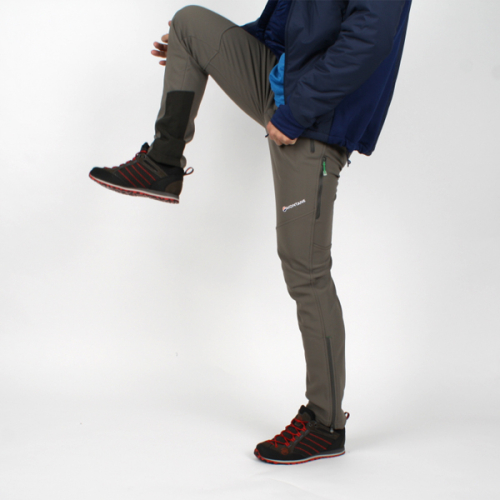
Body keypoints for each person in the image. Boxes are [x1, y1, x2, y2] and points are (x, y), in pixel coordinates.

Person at [89, 0, 412, 465]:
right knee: (190, 26)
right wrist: (200, 51)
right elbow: (285, 24)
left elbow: (369, 39)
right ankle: (163, 163)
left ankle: (326, 422)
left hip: (315, 120)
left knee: (305, 270)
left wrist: (297, 112)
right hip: (281, 80)